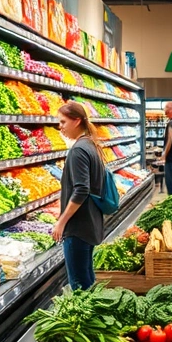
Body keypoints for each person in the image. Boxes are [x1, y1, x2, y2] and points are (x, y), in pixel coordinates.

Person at [53, 100, 108, 289]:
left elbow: (81, 189)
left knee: (78, 283)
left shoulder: (78, 150)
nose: (59, 127)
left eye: (63, 122)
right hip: (90, 223)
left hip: (78, 226)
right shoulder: (91, 145)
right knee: (87, 278)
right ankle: (92, 312)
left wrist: (62, 221)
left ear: (76, 121)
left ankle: (85, 316)